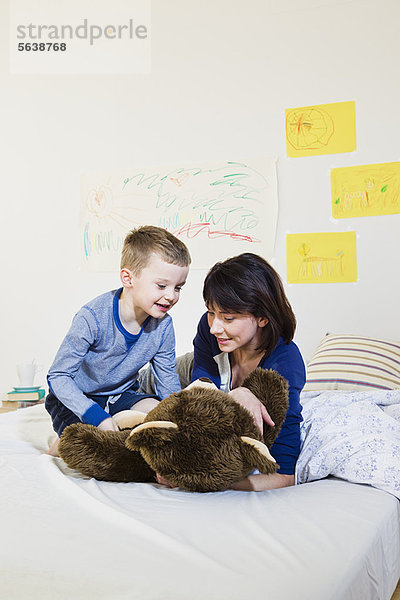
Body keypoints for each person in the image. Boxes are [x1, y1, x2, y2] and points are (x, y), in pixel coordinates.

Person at [45, 225, 191, 457]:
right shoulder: (92, 317)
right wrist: (96, 416)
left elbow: (167, 383)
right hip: (79, 398)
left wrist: (180, 420)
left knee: (158, 417)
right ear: (128, 278)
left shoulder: (163, 325)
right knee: (94, 446)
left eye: (178, 288)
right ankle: (60, 443)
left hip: (121, 395)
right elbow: (58, 377)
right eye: (162, 286)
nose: (171, 296)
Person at [190, 252, 306, 491]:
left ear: (262, 317)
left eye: (228, 318)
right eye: (211, 312)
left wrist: (210, 482)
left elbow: (285, 474)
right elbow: (198, 393)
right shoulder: (209, 328)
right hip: (185, 367)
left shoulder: (285, 364)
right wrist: (238, 394)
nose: (215, 328)